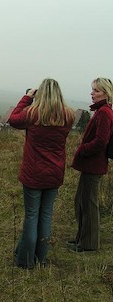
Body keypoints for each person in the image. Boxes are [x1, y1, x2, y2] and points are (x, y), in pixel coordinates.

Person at [9, 78, 75, 269]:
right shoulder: (68, 115)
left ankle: (26, 261)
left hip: (33, 172)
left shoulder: (33, 114)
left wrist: (27, 97)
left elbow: (13, 120)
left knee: (31, 216)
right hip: (55, 172)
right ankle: (41, 258)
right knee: (46, 215)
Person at [69, 78, 113, 252]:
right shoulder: (102, 111)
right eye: (92, 90)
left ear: (106, 93)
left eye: (96, 90)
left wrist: (83, 149)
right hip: (91, 165)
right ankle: (82, 238)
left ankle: (88, 245)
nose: (92, 93)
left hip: (93, 165)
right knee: (81, 202)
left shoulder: (103, 112)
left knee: (88, 204)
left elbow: (101, 141)